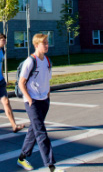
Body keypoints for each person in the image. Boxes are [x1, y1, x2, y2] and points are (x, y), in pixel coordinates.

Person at [16, 33, 63, 172]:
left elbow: (46, 80)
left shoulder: (47, 61)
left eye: (48, 43)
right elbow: (21, 83)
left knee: (34, 130)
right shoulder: (30, 61)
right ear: (36, 45)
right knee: (41, 132)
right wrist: (29, 99)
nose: (47, 45)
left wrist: (47, 97)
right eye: (44, 43)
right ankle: (51, 166)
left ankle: (22, 158)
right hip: (33, 102)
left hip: (44, 100)